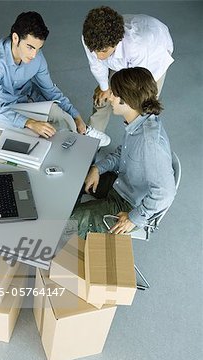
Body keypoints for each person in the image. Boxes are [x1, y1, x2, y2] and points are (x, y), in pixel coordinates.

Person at [69, 67, 176, 239]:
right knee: (72, 178)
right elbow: (122, 154)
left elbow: (166, 193)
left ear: (127, 100)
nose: (109, 97)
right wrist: (97, 168)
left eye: (114, 93)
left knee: (66, 224)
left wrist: (134, 219)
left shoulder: (150, 144)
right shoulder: (137, 122)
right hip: (122, 185)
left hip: (128, 204)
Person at [0, 11, 87, 139]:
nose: (34, 55)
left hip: (30, 100)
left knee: (66, 119)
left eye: (38, 48)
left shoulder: (37, 57)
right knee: (42, 138)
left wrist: (76, 116)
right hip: (6, 109)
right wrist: (30, 123)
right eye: (30, 47)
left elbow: (50, 90)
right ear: (15, 38)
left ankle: (83, 141)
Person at [82, 6, 174, 132]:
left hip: (153, 56)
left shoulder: (138, 47)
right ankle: (94, 135)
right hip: (123, 56)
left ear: (116, 42)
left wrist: (122, 99)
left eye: (103, 51)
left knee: (142, 107)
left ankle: (139, 140)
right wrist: (105, 88)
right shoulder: (90, 37)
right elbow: (96, 64)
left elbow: (140, 81)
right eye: (94, 51)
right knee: (102, 96)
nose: (99, 56)